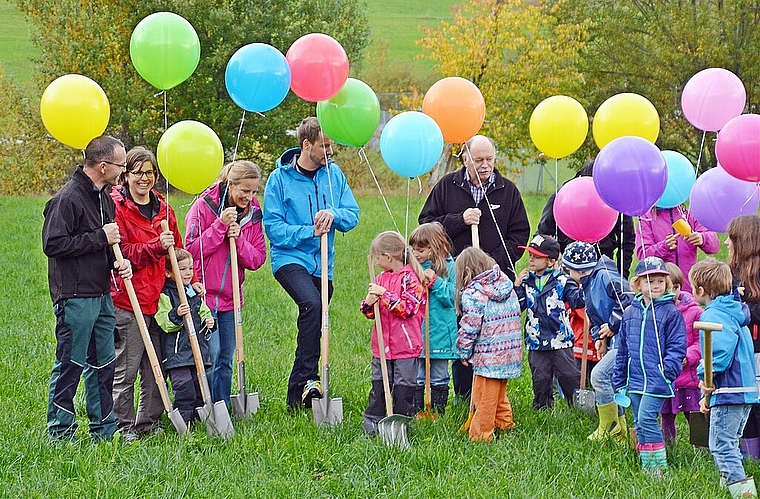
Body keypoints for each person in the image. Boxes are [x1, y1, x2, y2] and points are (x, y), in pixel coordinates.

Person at [418, 134, 530, 400]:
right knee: (463, 331)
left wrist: (493, 262)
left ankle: (490, 392)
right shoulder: (447, 186)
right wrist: (459, 219)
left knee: (488, 333)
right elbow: (427, 225)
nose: (485, 165)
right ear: (465, 159)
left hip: (493, 276)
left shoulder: (507, 190)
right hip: (455, 273)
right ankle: (464, 394)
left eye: (489, 159)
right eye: (478, 159)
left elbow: (519, 234)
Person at [264, 117, 360, 410]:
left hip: (323, 263)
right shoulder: (279, 179)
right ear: (306, 145)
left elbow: (352, 214)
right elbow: (274, 229)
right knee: (312, 305)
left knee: (314, 323)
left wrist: (333, 214)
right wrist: (310, 231)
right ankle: (310, 378)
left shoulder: (334, 175)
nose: (331, 151)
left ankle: (299, 394)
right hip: (289, 259)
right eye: (325, 146)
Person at [42, 135, 133, 442]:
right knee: (70, 363)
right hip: (74, 296)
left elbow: (105, 243)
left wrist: (117, 262)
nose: (124, 172)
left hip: (102, 293)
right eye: (121, 165)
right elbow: (53, 244)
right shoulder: (67, 199)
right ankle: (61, 431)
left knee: (104, 363)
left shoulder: (104, 197)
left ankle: (104, 430)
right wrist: (100, 238)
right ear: (103, 165)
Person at [109, 146, 192, 441]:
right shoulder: (116, 207)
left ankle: (149, 422)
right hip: (128, 299)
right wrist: (156, 246)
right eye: (138, 173)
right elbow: (121, 253)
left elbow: (177, 254)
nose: (145, 178)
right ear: (126, 175)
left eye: (150, 173)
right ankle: (123, 425)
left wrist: (186, 276)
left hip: (159, 300)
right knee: (127, 368)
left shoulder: (164, 208)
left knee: (157, 366)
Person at [185, 160, 267, 407]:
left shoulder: (253, 213)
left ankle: (221, 405)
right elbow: (190, 251)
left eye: (254, 192)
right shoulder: (203, 207)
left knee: (227, 358)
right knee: (212, 354)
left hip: (232, 298)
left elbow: (257, 258)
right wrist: (219, 226)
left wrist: (239, 239)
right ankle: (205, 405)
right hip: (204, 296)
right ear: (231, 184)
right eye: (244, 191)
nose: (249, 197)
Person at [690, 258, 759, 498]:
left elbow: (718, 351)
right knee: (730, 443)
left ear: (700, 290)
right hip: (744, 390)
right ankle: (727, 490)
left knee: (721, 445)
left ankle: (743, 495)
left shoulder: (715, 314)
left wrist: (704, 376)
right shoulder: (733, 310)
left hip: (730, 389)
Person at [613, 256, 686, 476]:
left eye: (660, 281)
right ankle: (646, 463)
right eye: (649, 281)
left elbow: (677, 347)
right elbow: (622, 348)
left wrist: (668, 372)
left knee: (646, 418)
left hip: (658, 380)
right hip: (634, 380)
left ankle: (657, 469)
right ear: (637, 284)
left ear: (667, 284)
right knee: (639, 421)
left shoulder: (670, 313)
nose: (655, 286)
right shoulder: (630, 313)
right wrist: (619, 379)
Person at [561, 241, 633, 442]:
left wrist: (612, 326)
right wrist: (599, 338)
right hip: (612, 339)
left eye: (568, 269)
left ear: (580, 270)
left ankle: (608, 426)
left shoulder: (605, 277)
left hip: (626, 339)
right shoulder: (587, 284)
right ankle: (619, 431)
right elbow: (593, 314)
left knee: (599, 376)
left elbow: (628, 299)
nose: (566, 273)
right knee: (610, 380)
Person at [361, 231, 426, 435]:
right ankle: (372, 427)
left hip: (405, 347)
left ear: (388, 257)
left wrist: (384, 294)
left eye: (378, 257)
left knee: (403, 390)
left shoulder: (412, 279)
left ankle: (400, 429)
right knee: (379, 388)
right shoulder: (380, 278)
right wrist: (368, 304)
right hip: (382, 347)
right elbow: (370, 313)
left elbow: (408, 310)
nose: (377, 262)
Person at [455, 247, 523, 442]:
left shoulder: (473, 294)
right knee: (499, 391)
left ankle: (481, 433)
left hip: (489, 353)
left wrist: (464, 351)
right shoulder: (505, 284)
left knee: (484, 397)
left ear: (465, 272)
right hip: (509, 350)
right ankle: (504, 422)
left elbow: (470, 325)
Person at [513, 234, 585, 410]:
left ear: (551, 261)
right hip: (536, 341)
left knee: (569, 375)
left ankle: (576, 407)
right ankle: (542, 407)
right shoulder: (526, 282)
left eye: (537, 257)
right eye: (530, 255)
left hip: (560, 339)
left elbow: (576, 301)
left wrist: (585, 286)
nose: (531, 260)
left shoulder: (562, 280)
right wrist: (516, 286)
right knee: (540, 378)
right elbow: (517, 307)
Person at [538, 159, 636, 279]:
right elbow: (542, 235)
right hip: (567, 266)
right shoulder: (563, 196)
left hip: (602, 265)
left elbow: (627, 239)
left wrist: (621, 277)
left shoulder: (614, 198)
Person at [156, 248, 215, 427]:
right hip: (177, 355)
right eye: (182, 269)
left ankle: (199, 420)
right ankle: (183, 421)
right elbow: (164, 322)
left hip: (198, 351)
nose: (188, 272)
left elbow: (204, 311)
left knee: (199, 388)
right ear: (168, 272)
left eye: (190, 268)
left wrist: (209, 320)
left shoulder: (193, 294)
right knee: (184, 388)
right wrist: (176, 314)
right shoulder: (166, 295)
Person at [409, 222, 458, 415]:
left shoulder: (448, 267)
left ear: (435, 247)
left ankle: (437, 411)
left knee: (439, 374)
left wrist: (436, 282)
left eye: (420, 250)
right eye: (413, 250)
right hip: (418, 329)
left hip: (440, 331)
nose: (416, 253)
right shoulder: (413, 267)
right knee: (418, 375)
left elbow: (454, 298)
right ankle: (418, 410)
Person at [727, 215, 760, 461]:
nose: (726, 243)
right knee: (747, 402)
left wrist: (745, 309)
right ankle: (750, 457)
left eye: (731, 238)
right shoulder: (731, 273)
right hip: (740, 350)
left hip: (757, 347)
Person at [659, 262, 703, 445]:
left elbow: (701, 341)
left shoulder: (694, 312)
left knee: (694, 414)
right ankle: (668, 447)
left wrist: (688, 356)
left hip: (688, 377)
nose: (673, 292)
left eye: (676, 287)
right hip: (666, 376)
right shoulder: (655, 312)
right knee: (666, 415)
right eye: (668, 288)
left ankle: (702, 447)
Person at [635, 204, 720, 293]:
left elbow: (714, 246)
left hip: (688, 288)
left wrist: (703, 238)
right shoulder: (646, 219)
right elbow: (643, 254)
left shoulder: (688, 215)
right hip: (660, 290)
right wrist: (664, 247)